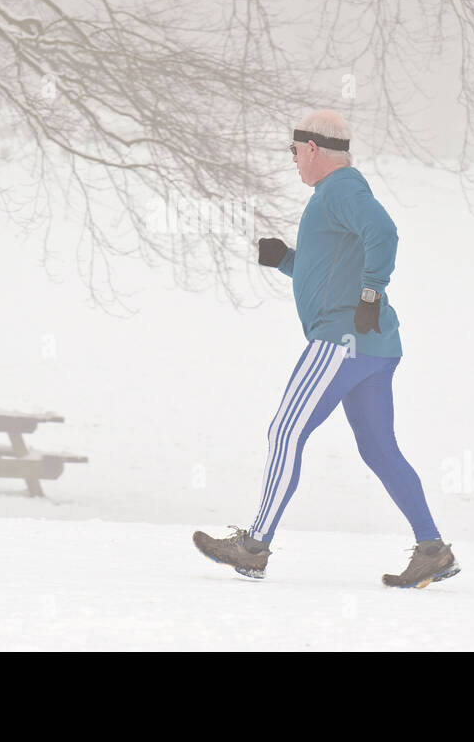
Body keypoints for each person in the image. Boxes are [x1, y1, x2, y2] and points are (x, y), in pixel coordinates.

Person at [193, 110, 458, 588]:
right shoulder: (337, 194)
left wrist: (371, 293)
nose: (293, 160)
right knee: (380, 449)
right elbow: (334, 272)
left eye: (294, 152)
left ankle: (253, 548)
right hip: (375, 345)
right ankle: (432, 549)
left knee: (285, 431)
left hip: (342, 340)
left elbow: (385, 233)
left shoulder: (341, 190)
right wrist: (287, 262)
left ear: (313, 149)